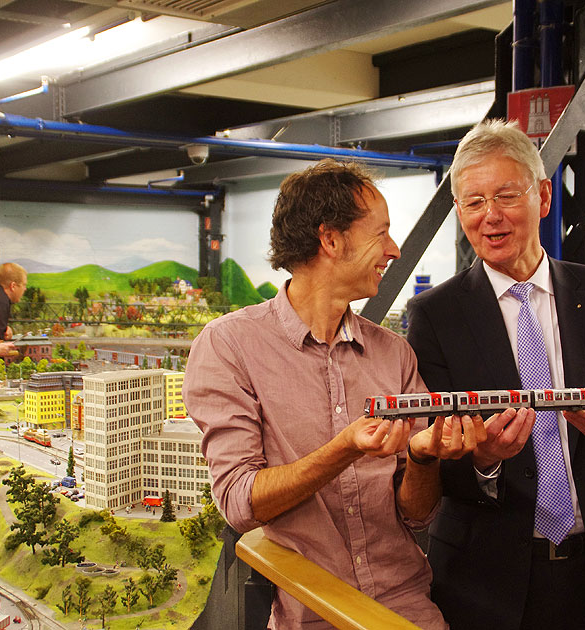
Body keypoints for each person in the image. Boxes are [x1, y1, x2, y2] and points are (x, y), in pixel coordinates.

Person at [406, 119, 585, 630]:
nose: (490, 216)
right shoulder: (434, 317)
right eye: (473, 202)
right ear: (459, 212)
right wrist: (483, 461)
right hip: (484, 582)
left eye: (506, 196)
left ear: (543, 196)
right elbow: (424, 452)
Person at [183, 159, 484, 630]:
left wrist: (424, 459)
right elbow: (240, 503)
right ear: (330, 239)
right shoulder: (229, 347)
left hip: (405, 605)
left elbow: (419, 515)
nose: (394, 249)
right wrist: (345, 449)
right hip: (309, 613)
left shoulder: (394, 354)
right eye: (381, 233)